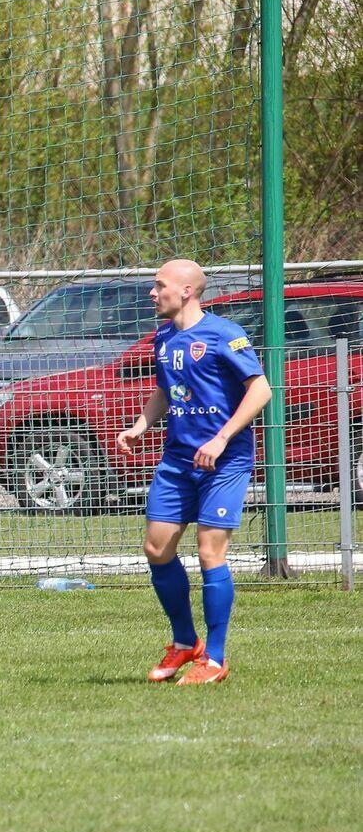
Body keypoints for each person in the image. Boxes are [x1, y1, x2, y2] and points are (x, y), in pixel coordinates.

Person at [118, 259, 271, 685]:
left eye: (159, 285)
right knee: (156, 548)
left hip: (225, 461)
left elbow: (261, 390)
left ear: (187, 290)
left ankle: (215, 659)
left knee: (209, 553)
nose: (152, 293)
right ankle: (186, 642)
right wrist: (140, 426)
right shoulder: (163, 336)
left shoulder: (225, 333)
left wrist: (221, 438)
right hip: (178, 461)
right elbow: (166, 390)